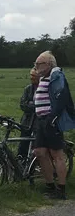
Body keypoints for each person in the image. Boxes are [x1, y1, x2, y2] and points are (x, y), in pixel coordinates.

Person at [32, 51, 74, 200]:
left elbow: (61, 98)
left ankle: (61, 190)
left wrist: (53, 118)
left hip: (51, 120)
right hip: (41, 120)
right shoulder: (43, 77)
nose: (36, 66)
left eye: (39, 63)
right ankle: (50, 186)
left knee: (57, 155)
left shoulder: (56, 76)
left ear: (49, 64)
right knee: (39, 152)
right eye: (35, 64)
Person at [17, 68, 39, 159]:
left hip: (38, 124)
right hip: (26, 123)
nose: (31, 77)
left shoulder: (44, 89)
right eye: (31, 75)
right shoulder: (28, 89)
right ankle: (21, 164)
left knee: (36, 147)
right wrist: (35, 106)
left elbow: (42, 106)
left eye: (33, 76)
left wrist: (30, 104)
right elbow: (22, 105)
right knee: (23, 146)